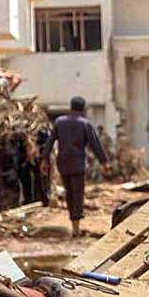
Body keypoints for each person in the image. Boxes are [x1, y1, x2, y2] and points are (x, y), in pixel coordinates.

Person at [42, 96, 107, 237]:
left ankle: (74, 224)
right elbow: (95, 144)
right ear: (82, 109)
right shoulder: (85, 124)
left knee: (69, 193)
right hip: (78, 164)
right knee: (78, 195)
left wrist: (45, 160)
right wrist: (104, 161)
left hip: (63, 164)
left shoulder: (59, 122)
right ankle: (76, 228)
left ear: (71, 107)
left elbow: (49, 142)